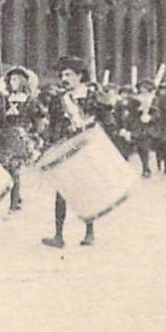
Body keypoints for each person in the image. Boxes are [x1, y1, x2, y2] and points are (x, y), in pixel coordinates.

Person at [39, 56, 99, 249]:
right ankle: (58, 235)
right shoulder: (59, 99)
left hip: (87, 146)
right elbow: (54, 123)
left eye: (69, 75)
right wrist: (51, 143)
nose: (64, 78)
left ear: (80, 76)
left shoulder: (92, 95)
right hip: (65, 146)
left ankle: (89, 232)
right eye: (63, 75)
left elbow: (106, 119)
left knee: (86, 190)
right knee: (61, 191)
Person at [0, 65, 44, 213]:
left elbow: (38, 119)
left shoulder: (30, 100)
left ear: (23, 81)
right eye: (11, 79)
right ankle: (17, 198)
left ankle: (13, 204)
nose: (13, 82)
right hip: (4, 137)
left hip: (20, 137)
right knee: (6, 170)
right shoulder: (4, 99)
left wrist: (34, 134)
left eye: (16, 79)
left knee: (14, 169)